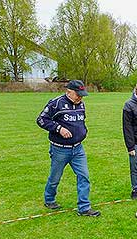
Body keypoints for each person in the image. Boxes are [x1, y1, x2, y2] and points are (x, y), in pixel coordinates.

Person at [36, 80, 100, 217]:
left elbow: (81, 121)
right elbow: (41, 120)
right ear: (69, 91)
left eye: (82, 95)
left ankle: (84, 208)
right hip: (60, 149)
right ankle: (49, 199)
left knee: (84, 176)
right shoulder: (56, 103)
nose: (80, 98)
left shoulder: (81, 104)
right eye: (78, 95)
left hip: (78, 149)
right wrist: (59, 128)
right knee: (55, 178)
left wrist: (83, 131)